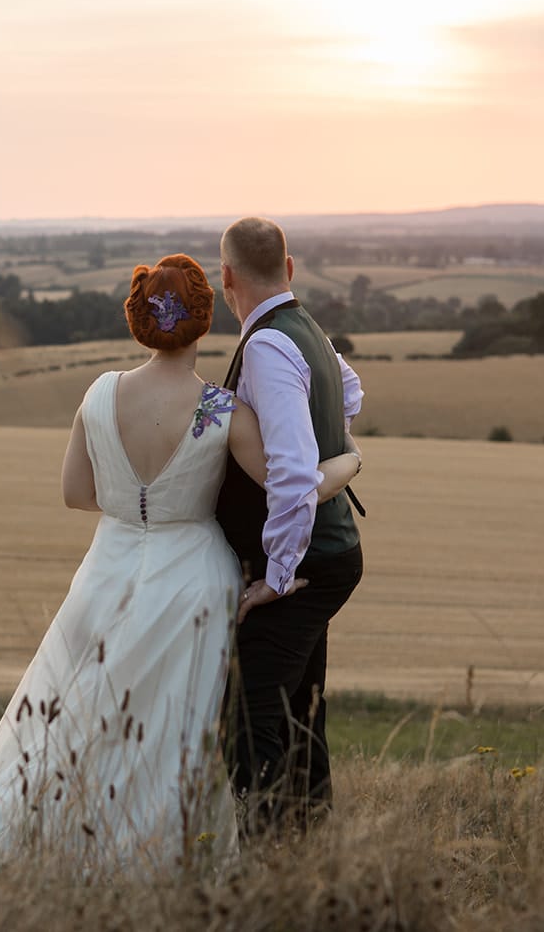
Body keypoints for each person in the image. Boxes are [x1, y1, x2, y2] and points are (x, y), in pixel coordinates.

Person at [0, 254, 362, 890]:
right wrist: (349, 461)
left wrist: (137, 504)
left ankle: (32, 846)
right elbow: (287, 487)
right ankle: (160, 859)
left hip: (107, 571)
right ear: (205, 319)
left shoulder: (100, 392)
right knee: (172, 728)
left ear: (138, 321)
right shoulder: (218, 408)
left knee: (71, 718)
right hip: (194, 576)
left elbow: (76, 493)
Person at [215, 216, 365, 833]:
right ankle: (308, 840)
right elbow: (350, 392)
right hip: (330, 552)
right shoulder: (306, 330)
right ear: (290, 267)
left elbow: (294, 474)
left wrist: (278, 576)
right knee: (299, 706)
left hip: (303, 563)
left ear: (226, 277)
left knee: (251, 718)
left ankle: (270, 850)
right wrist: (343, 447)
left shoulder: (269, 344)